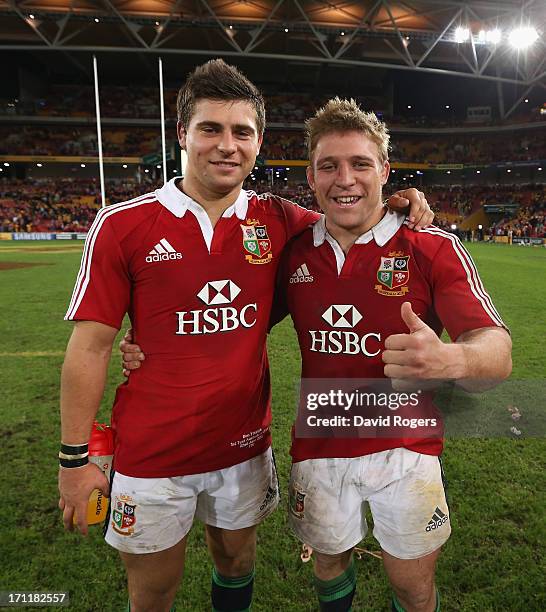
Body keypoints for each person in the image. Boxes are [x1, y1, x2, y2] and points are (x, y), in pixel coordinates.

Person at [63, 59, 432, 612]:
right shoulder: (123, 224)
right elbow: (89, 347)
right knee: (153, 591)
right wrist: (75, 460)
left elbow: (350, 211)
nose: (226, 145)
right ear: (183, 133)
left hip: (241, 444)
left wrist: (401, 201)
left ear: (258, 143)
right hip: (150, 451)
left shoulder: (281, 219)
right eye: (211, 128)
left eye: (242, 132)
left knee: (237, 563)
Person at [270, 98, 512, 612]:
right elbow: (235, 322)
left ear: (384, 170)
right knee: (329, 565)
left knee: (411, 585)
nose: (345, 179)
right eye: (328, 166)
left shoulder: (431, 247)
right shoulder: (292, 253)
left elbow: (497, 349)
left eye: (360, 164)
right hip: (320, 445)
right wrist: (143, 346)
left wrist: (453, 360)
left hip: (406, 450)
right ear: (310, 178)